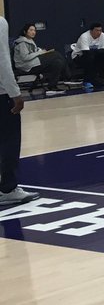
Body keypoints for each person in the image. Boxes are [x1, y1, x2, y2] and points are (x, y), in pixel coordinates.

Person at [0, 15, 35, 206]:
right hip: (2, 95)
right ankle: (8, 188)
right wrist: (15, 93)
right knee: (9, 141)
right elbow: (2, 61)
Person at [12, 23, 69, 93]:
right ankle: (68, 78)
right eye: (31, 30)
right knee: (56, 54)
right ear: (25, 31)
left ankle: (52, 86)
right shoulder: (22, 43)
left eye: (34, 30)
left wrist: (40, 51)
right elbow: (25, 57)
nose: (33, 32)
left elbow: (33, 52)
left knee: (58, 63)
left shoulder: (30, 41)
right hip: (26, 66)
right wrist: (39, 53)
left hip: (33, 63)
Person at [71, 23, 104, 91]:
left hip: (94, 54)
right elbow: (86, 52)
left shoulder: (103, 35)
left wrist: (97, 52)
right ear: (91, 31)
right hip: (78, 56)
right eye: (97, 30)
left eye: (100, 30)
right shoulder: (84, 36)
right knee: (89, 58)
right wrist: (98, 51)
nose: (99, 32)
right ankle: (87, 81)